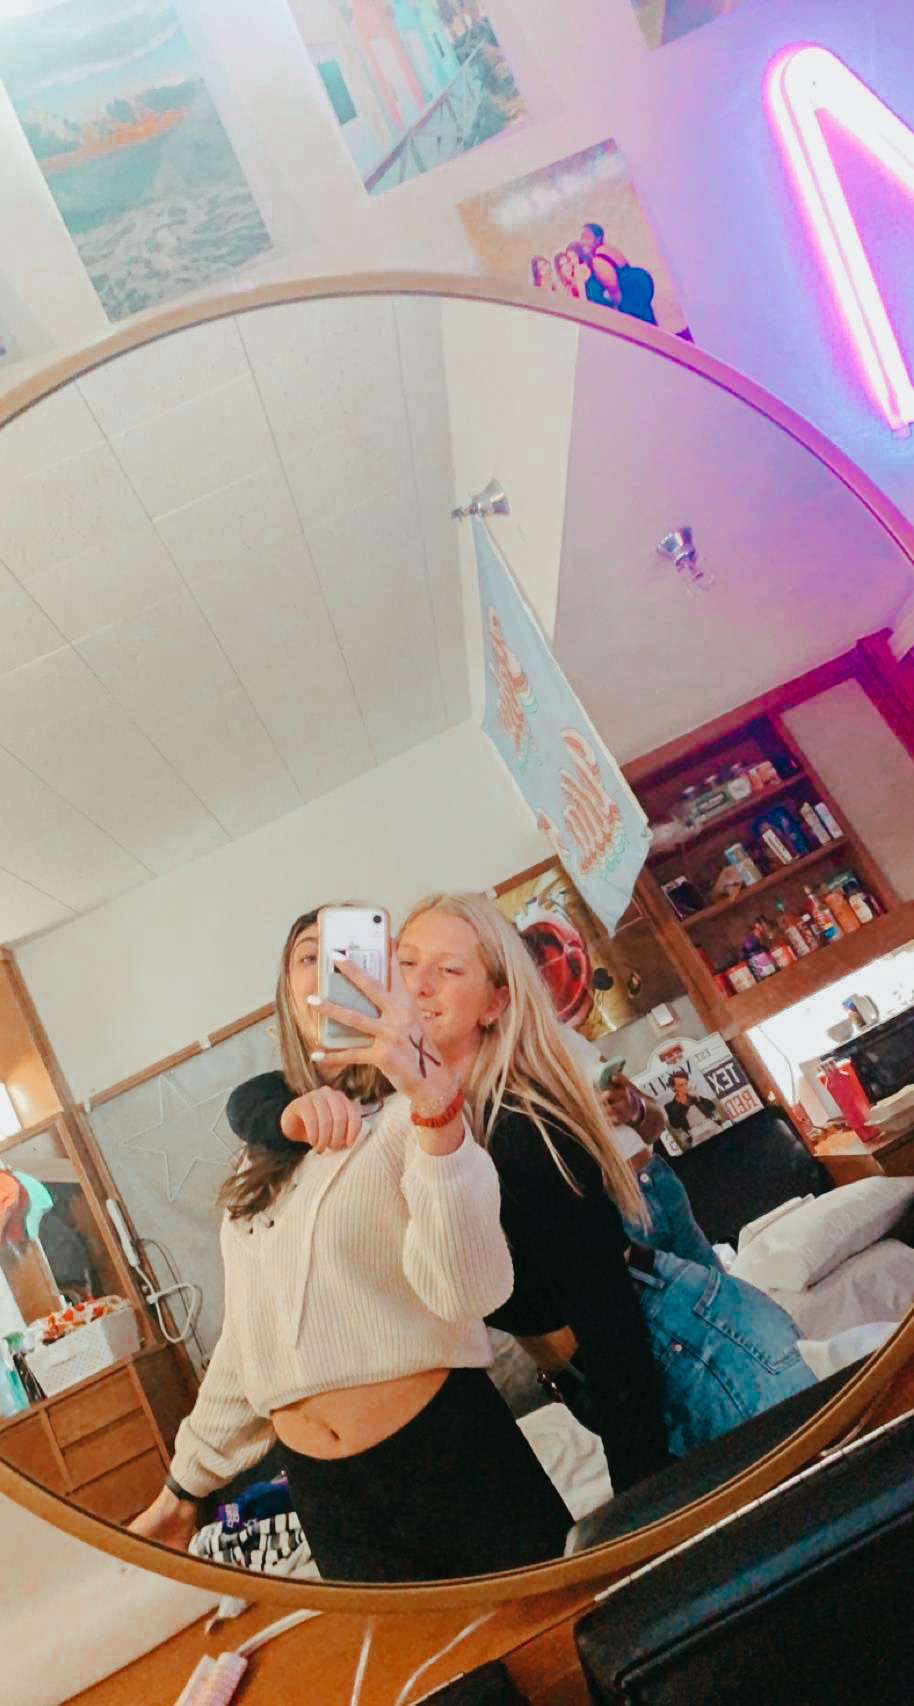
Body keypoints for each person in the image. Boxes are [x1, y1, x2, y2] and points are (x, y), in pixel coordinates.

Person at [230, 895, 815, 1481]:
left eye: (449, 969)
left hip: (688, 1354)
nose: (420, 984)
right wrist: (287, 1115)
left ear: (494, 1003)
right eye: (405, 963)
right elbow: (256, 1096)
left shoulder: (519, 1125)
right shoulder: (418, 1116)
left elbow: (608, 1319)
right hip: (608, 1370)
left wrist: (640, 1489)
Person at [129, 909, 572, 1583]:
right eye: (311, 957)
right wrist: (181, 1491)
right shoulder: (260, 1160)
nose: (333, 970)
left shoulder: (415, 1119)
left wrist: (433, 1106)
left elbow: (469, 1292)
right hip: (325, 1496)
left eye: (356, 956)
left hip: (447, 1456)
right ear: (288, 998)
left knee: (554, 1640)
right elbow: (249, 1338)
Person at [579, 223, 658, 325]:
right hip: (640, 285)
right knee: (650, 322)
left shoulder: (598, 261)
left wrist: (619, 311)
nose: (582, 242)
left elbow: (614, 289)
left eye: (587, 237)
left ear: (598, 239)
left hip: (630, 296)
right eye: (582, 238)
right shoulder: (610, 249)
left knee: (642, 327)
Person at [664, 1068, 725, 1149]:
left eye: (686, 1083)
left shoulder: (694, 1096)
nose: (685, 1087)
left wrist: (698, 1098)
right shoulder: (670, 1106)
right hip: (695, 1132)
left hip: (710, 1125)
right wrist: (683, 1104)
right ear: (674, 1088)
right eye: (681, 1085)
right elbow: (675, 1124)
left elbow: (712, 1107)